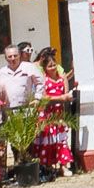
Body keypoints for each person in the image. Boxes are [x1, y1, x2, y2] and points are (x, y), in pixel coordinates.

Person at [31, 46, 74, 177]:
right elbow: (44, 97)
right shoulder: (44, 80)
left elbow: (66, 93)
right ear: (45, 68)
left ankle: (63, 165)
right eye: (50, 66)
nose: (53, 68)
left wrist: (65, 97)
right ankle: (48, 166)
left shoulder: (62, 78)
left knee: (61, 140)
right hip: (48, 113)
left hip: (59, 113)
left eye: (54, 65)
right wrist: (60, 98)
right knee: (48, 140)